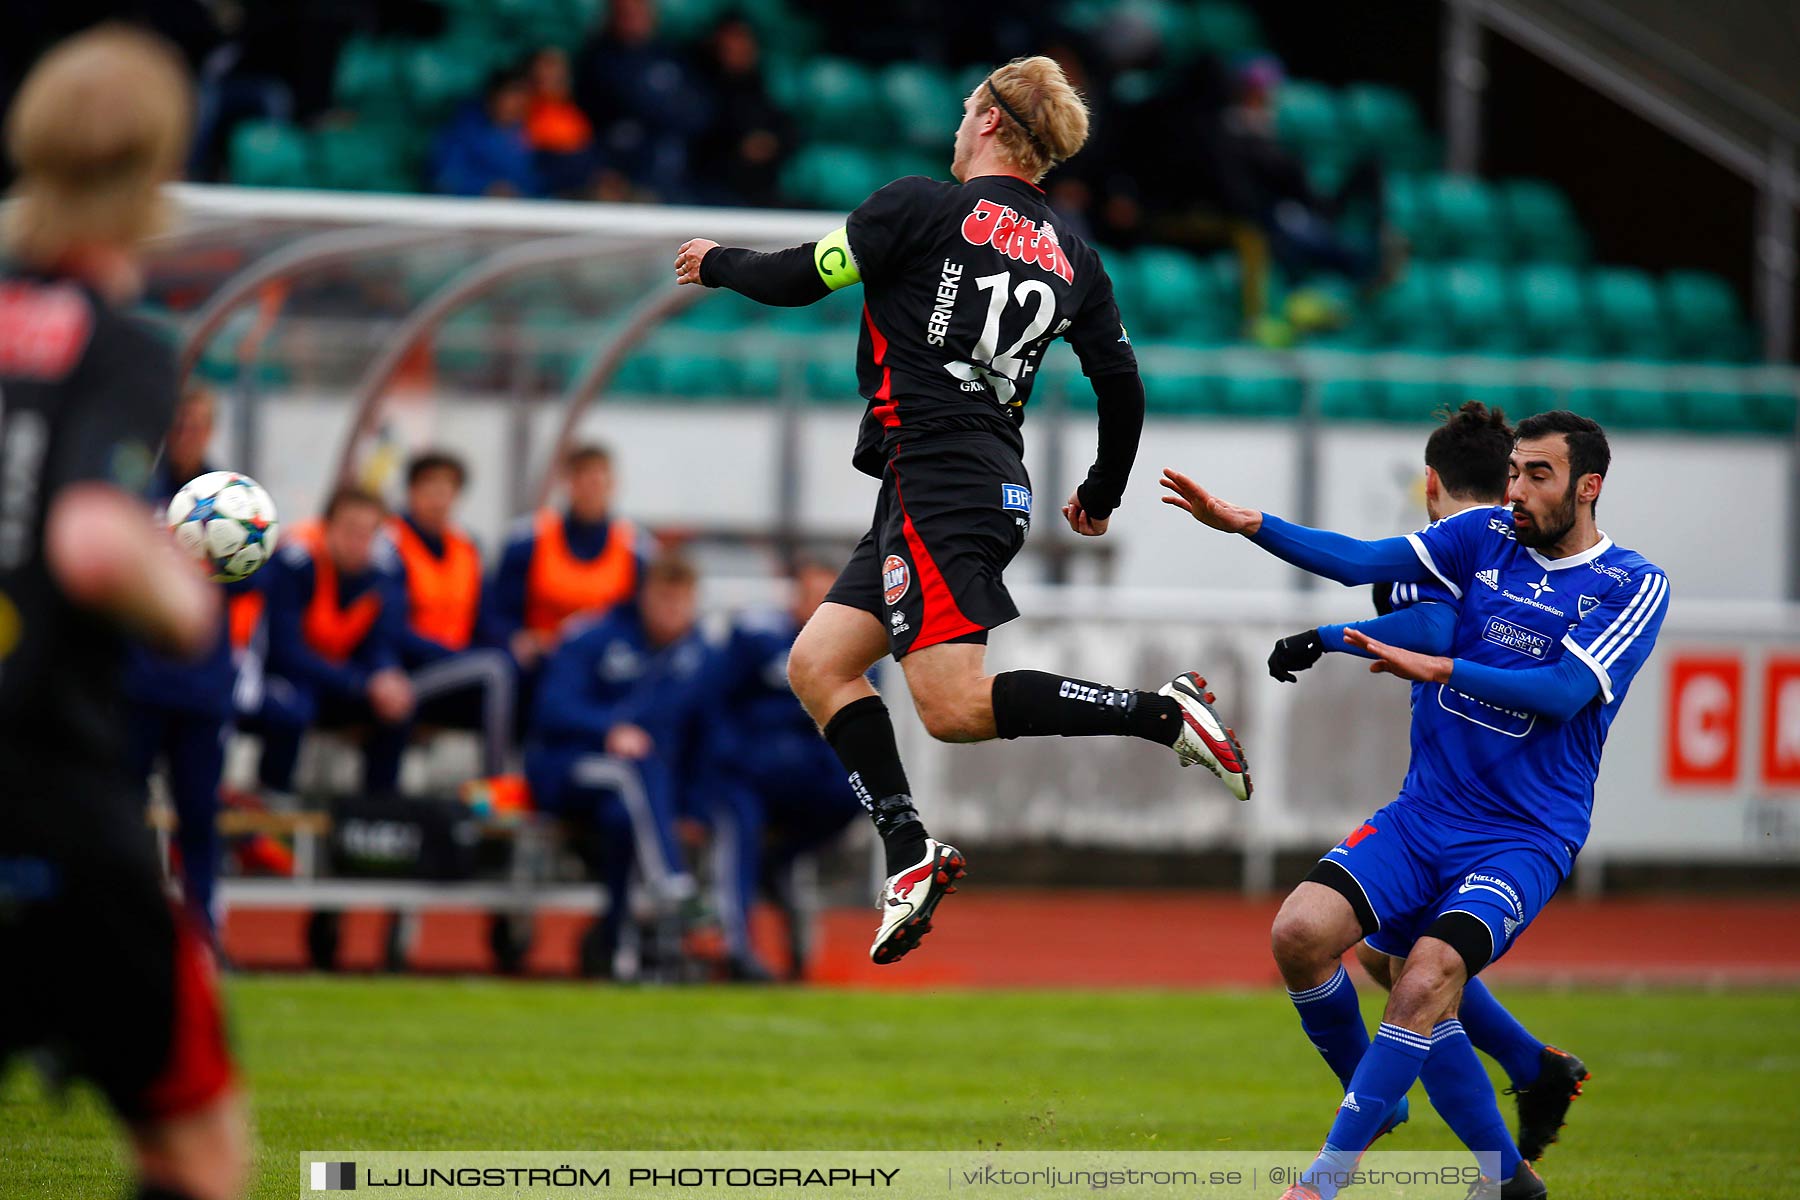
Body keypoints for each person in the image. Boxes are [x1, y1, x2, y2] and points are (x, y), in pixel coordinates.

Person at [674, 54, 1251, 967]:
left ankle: (1162, 713)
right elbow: (1122, 387)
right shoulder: (1075, 254)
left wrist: (719, 264)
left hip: (940, 478)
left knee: (951, 706)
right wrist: (1101, 492)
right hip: (965, 481)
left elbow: (799, 277)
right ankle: (910, 850)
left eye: (964, 107)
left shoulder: (918, 205)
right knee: (820, 664)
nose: (956, 123)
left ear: (988, 120)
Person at [1161, 410, 1669, 1200]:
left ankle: (1322, 1182)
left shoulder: (1631, 583)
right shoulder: (1484, 537)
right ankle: (1477, 1151)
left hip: (1521, 836)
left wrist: (1440, 670)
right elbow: (1363, 558)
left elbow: (1565, 692)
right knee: (1301, 933)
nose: (1518, 491)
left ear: (1588, 486)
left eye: (1538, 475)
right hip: (1423, 814)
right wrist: (1245, 523)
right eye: (1513, 472)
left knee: (1425, 974)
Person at [0, 26, 247, 1200]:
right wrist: (181, 591)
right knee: (196, 1149)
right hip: (46, 796)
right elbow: (92, 541)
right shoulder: (116, 343)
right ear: (157, 171)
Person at [1265, 402, 1590, 1167]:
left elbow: (1435, 631)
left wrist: (1328, 637)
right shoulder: (1507, 544)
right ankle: (1530, 1079)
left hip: (1491, 820)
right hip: (1451, 799)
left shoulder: (1454, 551)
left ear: (1430, 484)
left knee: (1411, 973)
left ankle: (1413, 1131)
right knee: (1394, 964)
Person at [523, 555, 707, 980]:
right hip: (566, 768)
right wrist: (608, 729)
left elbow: (704, 738)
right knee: (634, 764)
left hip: (635, 796)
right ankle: (671, 882)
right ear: (643, 596)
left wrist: (693, 809)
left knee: (623, 817)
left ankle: (617, 944)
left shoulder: (698, 656)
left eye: (681, 603)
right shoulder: (593, 636)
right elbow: (551, 708)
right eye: (663, 600)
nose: (672, 612)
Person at [696, 558, 864, 981]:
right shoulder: (755, 637)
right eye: (810, 593)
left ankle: (779, 861)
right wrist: (728, 757)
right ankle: (736, 946)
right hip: (743, 773)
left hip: (801, 775)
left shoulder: (850, 651)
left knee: (856, 791)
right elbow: (713, 703)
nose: (816, 604)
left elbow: (850, 722)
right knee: (740, 822)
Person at [122, 386, 244, 941]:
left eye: (199, 421)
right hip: (138, 683)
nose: (188, 430)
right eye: (180, 419)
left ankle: (202, 933)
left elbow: (251, 578)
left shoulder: (232, 500)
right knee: (122, 810)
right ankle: (118, 923)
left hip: (200, 687)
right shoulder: (132, 491)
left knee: (198, 815)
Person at [252, 487, 414, 802]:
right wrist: (361, 682)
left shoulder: (385, 573)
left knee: (398, 707)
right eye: (350, 530)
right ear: (326, 527)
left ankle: (379, 809)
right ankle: (273, 797)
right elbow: (285, 652)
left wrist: (386, 676)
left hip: (343, 681)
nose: (358, 542)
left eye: (368, 533)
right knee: (292, 708)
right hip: (289, 676)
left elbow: (383, 642)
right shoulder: (295, 563)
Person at [387, 450, 515, 777]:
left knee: (520, 674)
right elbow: (391, 629)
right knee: (495, 671)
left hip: (460, 670)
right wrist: (457, 655)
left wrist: (517, 647)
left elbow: (486, 621)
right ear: (411, 492)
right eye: (430, 489)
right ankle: (495, 782)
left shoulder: (467, 547)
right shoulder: (390, 544)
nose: (439, 500)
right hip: (408, 672)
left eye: (447, 491)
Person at [482, 442, 651, 687]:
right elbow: (497, 610)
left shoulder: (637, 550)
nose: (591, 488)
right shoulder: (528, 541)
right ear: (568, 483)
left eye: (599, 479)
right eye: (583, 477)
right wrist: (516, 638)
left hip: (606, 666)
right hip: (541, 662)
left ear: (613, 484)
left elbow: (641, 620)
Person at [430, 66, 542, 199]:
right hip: (469, 210)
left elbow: (537, 183)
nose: (518, 104)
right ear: (493, 96)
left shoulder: (530, 135)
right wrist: (486, 188)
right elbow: (445, 179)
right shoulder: (461, 131)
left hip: (518, 213)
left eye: (523, 98)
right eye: (512, 95)